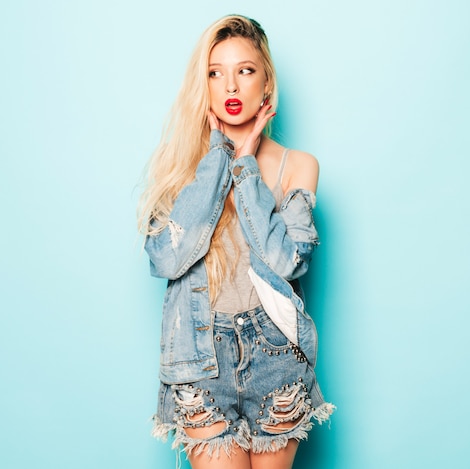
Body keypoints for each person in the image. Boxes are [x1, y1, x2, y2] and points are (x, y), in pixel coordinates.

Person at [138, 14, 334, 469]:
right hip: (199, 360)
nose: (231, 85)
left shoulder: (297, 166)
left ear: (266, 81)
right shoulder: (178, 170)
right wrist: (219, 158)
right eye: (215, 72)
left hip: (276, 356)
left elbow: (285, 261)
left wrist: (246, 166)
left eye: (245, 70)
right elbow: (167, 258)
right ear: (202, 85)